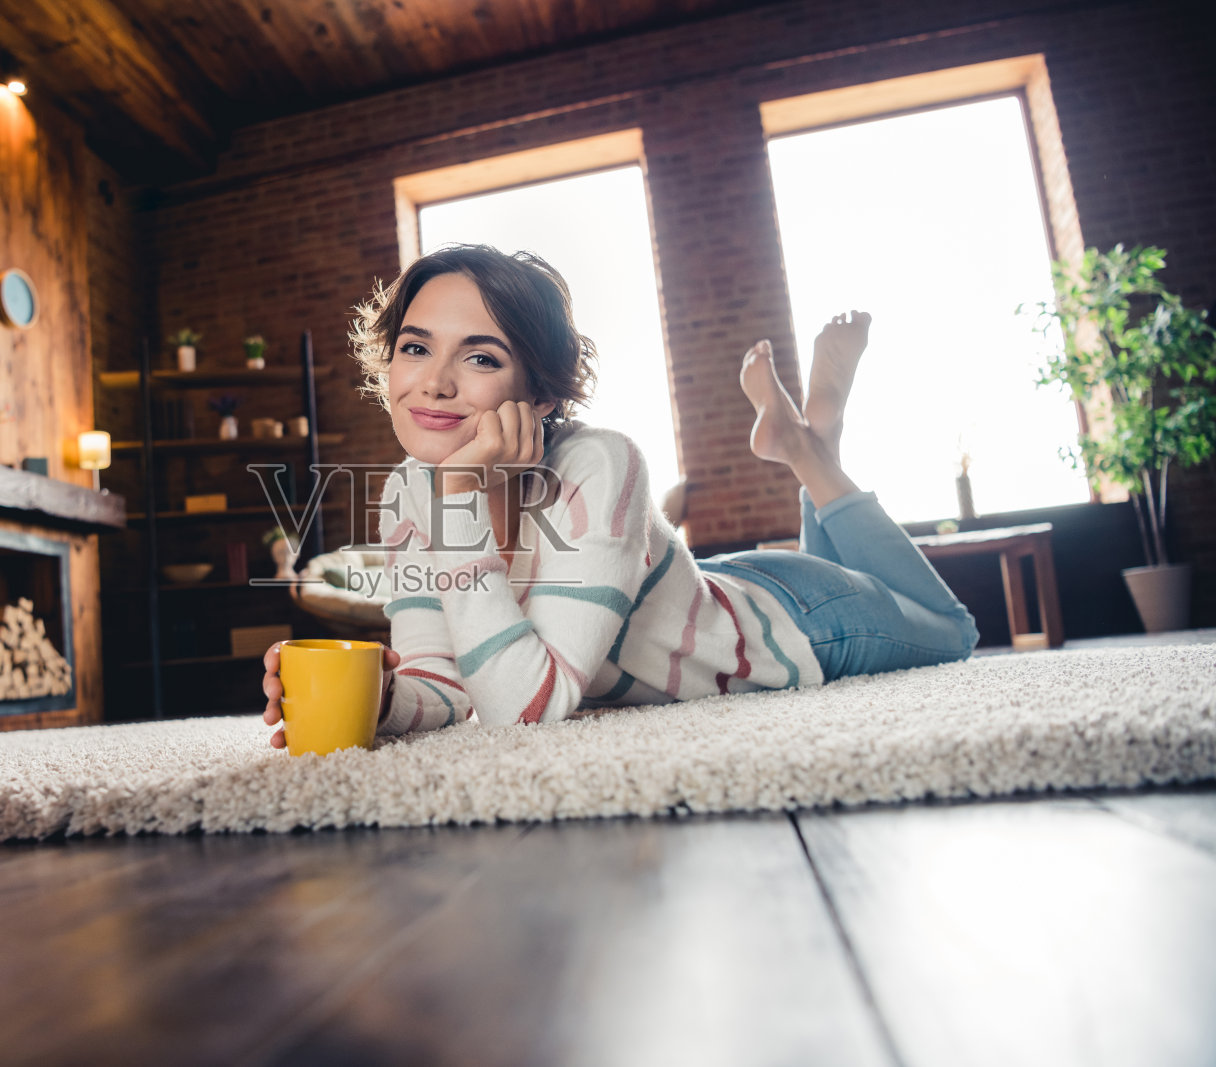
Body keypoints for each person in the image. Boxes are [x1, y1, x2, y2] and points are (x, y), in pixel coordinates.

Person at [261, 244, 977, 747]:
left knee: (950, 631)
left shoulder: (601, 464)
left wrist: (457, 494)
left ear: (540, 393)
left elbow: (523, 710)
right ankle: (811, 439)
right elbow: (446, 687)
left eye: (479, 356)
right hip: (718, 590)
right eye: (415, 347)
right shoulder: (406, 493)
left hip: (795, 623)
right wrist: (380, 699)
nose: (435, 382)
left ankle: (809, 447)